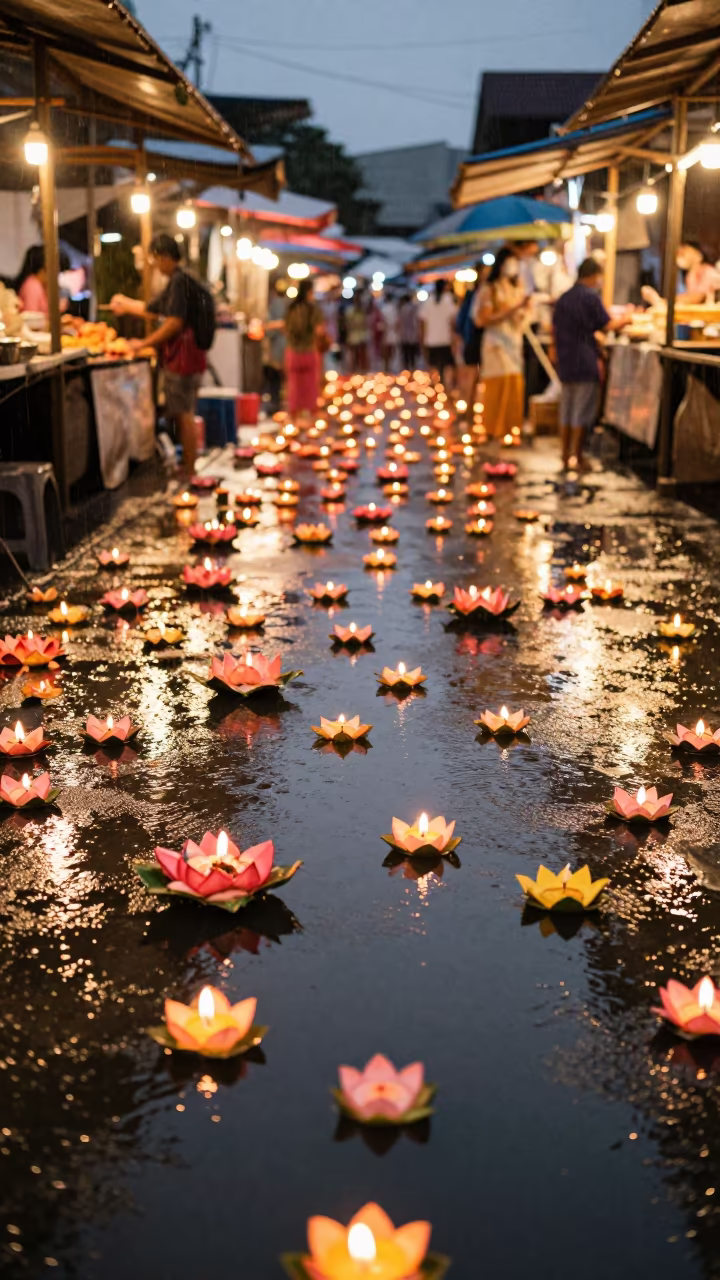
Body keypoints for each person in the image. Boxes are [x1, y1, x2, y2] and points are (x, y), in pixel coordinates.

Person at [110, 234, 215, 477]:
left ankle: (189, 469)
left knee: (184, 412)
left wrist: (142, 344)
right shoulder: (181, 280)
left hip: (184, 359)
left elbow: (173, 323)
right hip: (194, 357)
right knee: (185, 410)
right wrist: (125, 303)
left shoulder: (179, 282)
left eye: (156, 259)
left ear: (165, 257)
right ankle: (189, 465)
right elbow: (152, 309)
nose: (155, 265)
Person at [552, 257, 631, 470]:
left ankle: (564, 456)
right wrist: (627, 319)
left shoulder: (564, 298)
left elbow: (555, 329)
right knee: (582, 410)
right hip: (585, 359)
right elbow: (606, 326)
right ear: (593, 275)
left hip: (566, 359)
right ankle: (577, 457)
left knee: (567, 409)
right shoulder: (590, 297)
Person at [473, 247, 529, 438]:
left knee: (514, 382)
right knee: (499, 384)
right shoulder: (490, 289)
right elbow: (483, 319)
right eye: (510, 262)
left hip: (514, 342)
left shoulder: (517, 288)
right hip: (496, 343)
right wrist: (512, 310)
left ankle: (511, 429)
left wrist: (523, 311)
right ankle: (493, 429)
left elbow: (521, 317)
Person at [283, 278, 326, 417]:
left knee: (294, 384)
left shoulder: (291, 308)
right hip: (309, 351)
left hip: (293, 352)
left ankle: (294, 414)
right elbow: (319, 331)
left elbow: (285, 327)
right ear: (309, 292)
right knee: (310, 384)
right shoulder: (313, 309)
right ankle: (309, 416)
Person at [455, 262, 488, 414]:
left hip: (479, 339)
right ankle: (468, 410)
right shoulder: (475, 295)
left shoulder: (475, 294)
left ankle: (472, 411)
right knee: (472, 376)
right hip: (475, 339)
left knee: (477, 376)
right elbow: (464, 320)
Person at [419, 279, 458, 389]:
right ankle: (446, 391)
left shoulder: (428, 301)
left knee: (434, 366)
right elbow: (453, 321)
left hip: (431, 340)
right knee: (447, 367)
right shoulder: (449, 299)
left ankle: (435, 391)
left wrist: (422, 338)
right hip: (445, 339)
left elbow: (422, 322)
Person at [263, 279, 287, 415]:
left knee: (275, 378)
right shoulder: (286, 305)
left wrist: (268, 328)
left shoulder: (274, 305)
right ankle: (279, 403)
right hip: (285, 348)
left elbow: (270, 330)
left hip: (278, 349)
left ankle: (276, 403)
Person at [344, 291, 370, 373]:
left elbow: (366, 323)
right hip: (354, 335)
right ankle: (354, 370)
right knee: (354, 354)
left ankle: (362, 370)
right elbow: (348, 324)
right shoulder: (350, 310)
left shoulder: (364, 311)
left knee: (362, 354)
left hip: (362, 335)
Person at [398, 293, 421, 369]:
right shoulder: (415, 308)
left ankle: (407, 371)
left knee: (406, 356)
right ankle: (413, 370)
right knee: (412, 356)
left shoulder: (403, 308)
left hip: (405, 336)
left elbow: (400, 322)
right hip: (413, 335)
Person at [379, 293, 400, 372]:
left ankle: (386, 366)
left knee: (386, 351)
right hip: (391, 332)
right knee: (391, 350)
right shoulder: (393, 308)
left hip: (386, 332)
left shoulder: (383, 308)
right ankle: (388, 366)